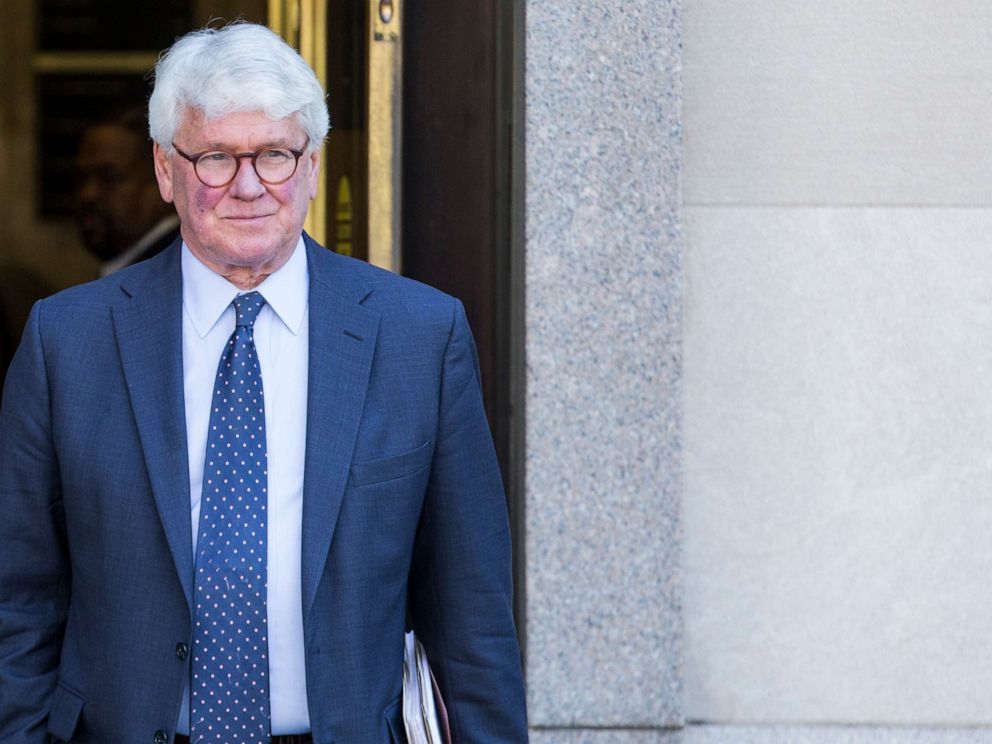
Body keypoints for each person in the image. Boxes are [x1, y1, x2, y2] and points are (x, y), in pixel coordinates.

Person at [0, 22, 527, 744]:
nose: (248, 186)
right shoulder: (67, 342)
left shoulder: (420, 337)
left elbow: (473, 622)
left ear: (311, 165)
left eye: (275, 155)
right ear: (166, 168)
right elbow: (18, 604)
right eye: (216, 156)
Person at [74, 105, 180, 275]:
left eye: (109, 178)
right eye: (81, 179)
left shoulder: (172, 274)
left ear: (164, 177)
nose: (88, 194)